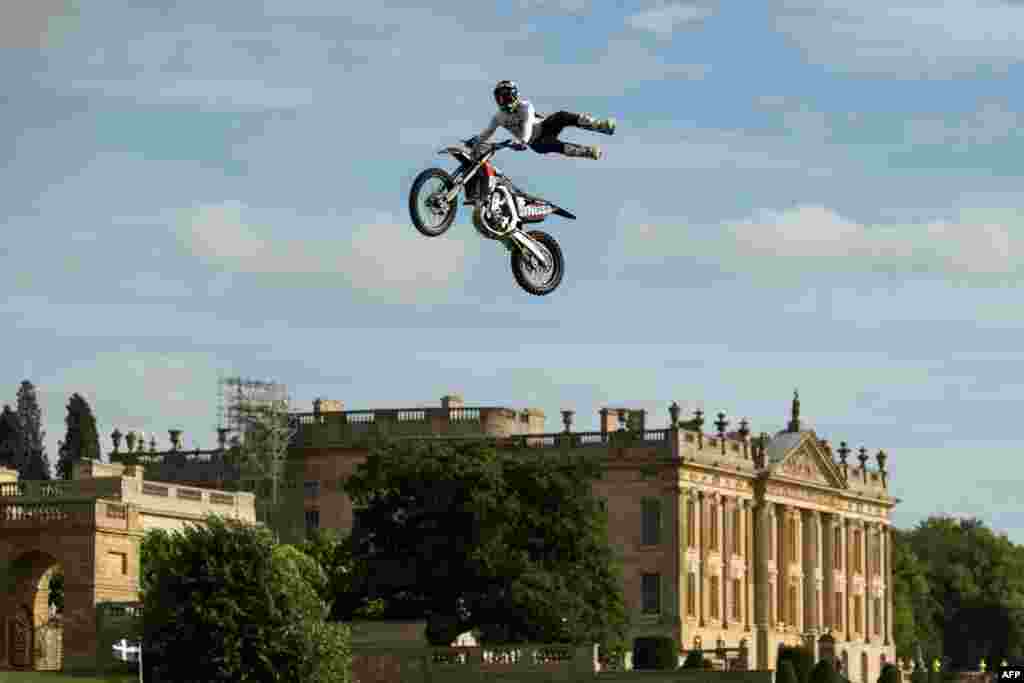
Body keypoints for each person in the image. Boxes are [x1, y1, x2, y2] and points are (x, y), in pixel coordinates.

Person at [471, 80, 616, 161]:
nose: (504, 102)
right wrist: (476, 141)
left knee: (562, 116)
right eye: (500, 99)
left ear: (515, 96)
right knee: (555, 145)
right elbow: (488, 131)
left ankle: (599, 125)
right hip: (537, 143)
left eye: (507, 97)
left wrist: (522, 141)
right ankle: (588, 152)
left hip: (544, 127)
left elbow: (527, 124)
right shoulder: (499, 117)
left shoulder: (525, 106)